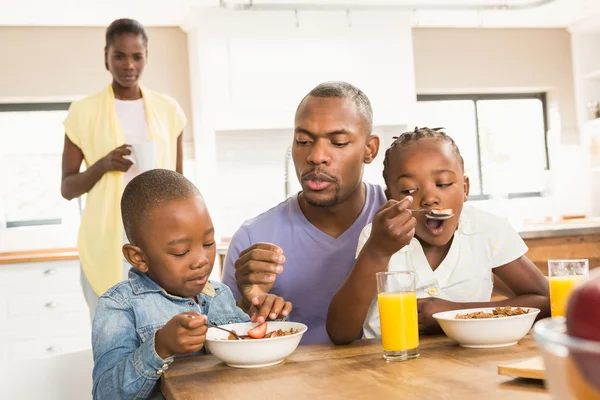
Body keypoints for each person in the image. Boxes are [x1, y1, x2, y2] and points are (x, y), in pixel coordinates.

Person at [326, 127, 551, 344]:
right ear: (391, 198)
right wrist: (377, 251)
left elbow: (546, 300)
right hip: (388, 366)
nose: (429, 198)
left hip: (468, 365)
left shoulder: (488, 230)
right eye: (408, 190)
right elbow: (340, 333)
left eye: (442, 183)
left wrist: (456, 313)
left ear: (465, 189)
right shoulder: (377, 238)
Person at [92, 169, 292, 400]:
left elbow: (250, 356)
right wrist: (160, 347)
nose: (201, 260)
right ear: (139, 258)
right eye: (180, 252)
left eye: (208, 243)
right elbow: (105, 395)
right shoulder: (120, 307)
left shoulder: (219, 295)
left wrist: (268, 319)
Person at [221, 81, 387, 344]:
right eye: (304, 141)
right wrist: (246, 303)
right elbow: (225, 342)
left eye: (339, 142)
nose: (316, 156)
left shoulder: (398, 219)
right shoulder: (253, 238)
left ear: (370, 149)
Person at [61, 18, 187, 319]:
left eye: (137, 56)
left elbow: (181, 184)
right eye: (119, 55)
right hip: (106, 237)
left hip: (158, 233)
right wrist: (103, 165)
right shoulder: (83, 111)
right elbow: (67, 188)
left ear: (146, 57)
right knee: (111, 326)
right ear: (106, 55)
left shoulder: (169, 110)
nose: (128, 64)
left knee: (162, 324)